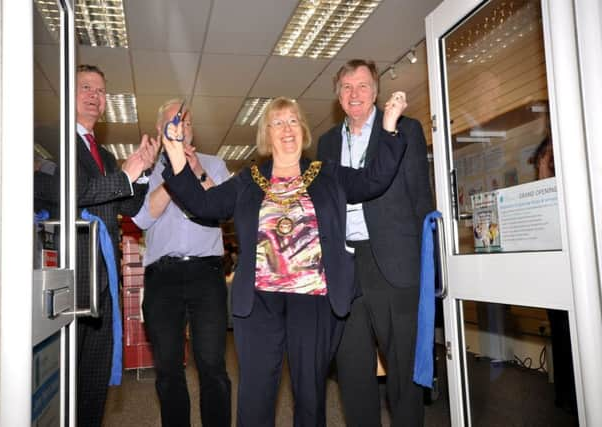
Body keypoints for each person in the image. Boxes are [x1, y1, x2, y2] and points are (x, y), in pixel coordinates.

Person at [159, 95, 408, 426]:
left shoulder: (328, 174)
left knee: (310, 394)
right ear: (266, 133)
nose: (286, 128)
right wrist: (177, 160)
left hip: (315, 300)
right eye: (277, 122)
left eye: (292, 120)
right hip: (260, 301)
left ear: (303, 130)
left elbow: (374, 180)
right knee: (255, 396)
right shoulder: (248, 181)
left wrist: (389, 128)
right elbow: (205, 206)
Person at [34, 64, 159, 426]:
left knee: (93, 383)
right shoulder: (48, 141)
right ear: (66, 95)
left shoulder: (102, 154)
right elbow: (71, 193)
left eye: (101, 91)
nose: (94, 96)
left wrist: (144, 171)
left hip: (103, 284)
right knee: (64, 386)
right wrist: (126, 174)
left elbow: (129, 207)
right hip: (67, 285)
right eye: (85, 87)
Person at [317, 59, 433, 427]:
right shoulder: (327, 143)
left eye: (363, 86)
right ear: (338, 95)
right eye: (347, 87)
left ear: (377, 92)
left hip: (396, 265)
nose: (355, 94)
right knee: (352, 369)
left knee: (402, 368)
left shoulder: (404, 130)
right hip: (347, 266)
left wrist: (431, 268)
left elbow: (420, 198)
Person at [132, 99, 232, 427]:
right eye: (173, 122)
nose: (181, 126)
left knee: (213, 366)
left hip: (207, 274)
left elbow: (221, 209)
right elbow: (143, 218)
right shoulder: (146, 170)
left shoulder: (214, 164)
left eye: (185, 122)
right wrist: (175, 176)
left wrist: (195, 172)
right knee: (168, 369)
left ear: (191, 130)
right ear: (162, 131)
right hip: (163, 277)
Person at [531, 138, 577, 415]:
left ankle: (571, 396)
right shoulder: (552, 191)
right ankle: (567, 396)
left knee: (568, 336)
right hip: (557, 269)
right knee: (562, 335)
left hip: (570, 268)